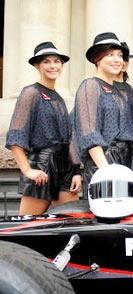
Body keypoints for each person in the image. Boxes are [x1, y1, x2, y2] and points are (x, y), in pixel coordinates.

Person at [5, 42, 81, 215]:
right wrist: (27, 170)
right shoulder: (30, 93)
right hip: (42, 165)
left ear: (62, 65)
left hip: (66, 168)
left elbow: (69, 138)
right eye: (46, 61)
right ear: (37, 65)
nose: (53, 65)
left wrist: (76, 171)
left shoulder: (59, 98)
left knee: (70, 224)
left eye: (56, 61)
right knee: (28, 227)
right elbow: (16, 136)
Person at [72, 32, 133, 197]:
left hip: (126, 160)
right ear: (97, 58)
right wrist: (106, 170)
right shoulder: (90, 86)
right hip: (103, 162)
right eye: (110, 54)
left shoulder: (121, 90)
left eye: (120, 55)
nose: (117, 59)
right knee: (105, 217)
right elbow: (89, 132)